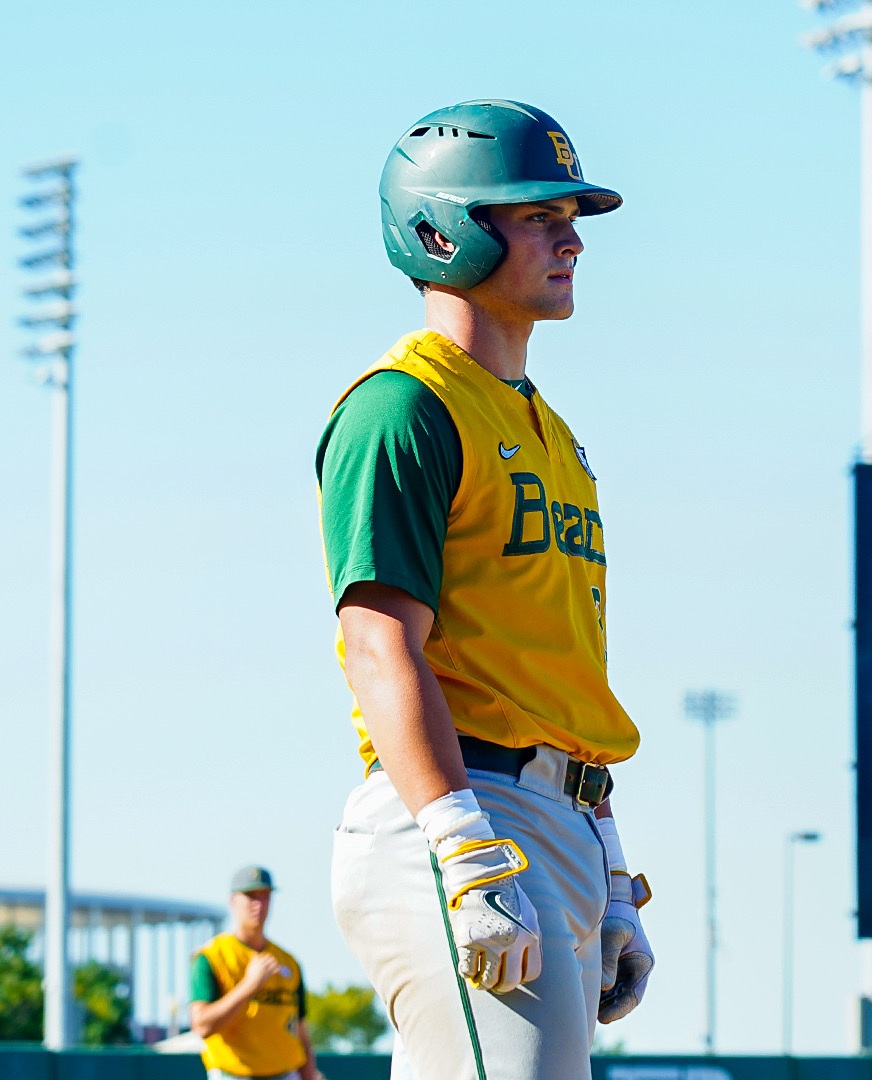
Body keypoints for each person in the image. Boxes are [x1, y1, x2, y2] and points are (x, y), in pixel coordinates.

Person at [317, 99, 654, 1080]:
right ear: (441, 230)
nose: (574, 239)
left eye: (571, 215)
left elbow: (552, 672)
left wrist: (610, 860)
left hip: (556, 824)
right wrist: (464, 847)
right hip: (459, 810)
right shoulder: (403, 408)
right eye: (540, 214)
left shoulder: (553, 434)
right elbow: (379, 646)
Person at [189, 866, 324, 1080]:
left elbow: (301, 1033)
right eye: (251, 896)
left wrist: (309, 1075)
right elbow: (202, 1026)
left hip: (286, 1073)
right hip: (234, 1074)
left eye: (265, 896)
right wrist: (250, 985)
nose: (259, 905)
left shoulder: (288, 961)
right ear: (232, 900)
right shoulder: (211, 957)